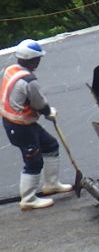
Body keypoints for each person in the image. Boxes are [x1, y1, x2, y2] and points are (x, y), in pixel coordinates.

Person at [1, 39, 73, 210]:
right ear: (32, 60)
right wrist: (49, 113)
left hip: (18, 121)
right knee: (33, 161)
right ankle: (28, 199)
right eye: (38, 58)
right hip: (19, 125)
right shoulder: (28, 80)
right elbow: (39, 103)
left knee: (50, 145)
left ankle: (51, 184)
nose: (39, 61)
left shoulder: (11, 69)